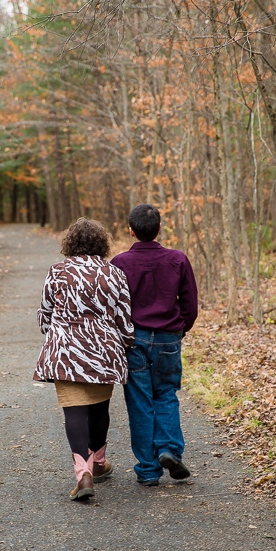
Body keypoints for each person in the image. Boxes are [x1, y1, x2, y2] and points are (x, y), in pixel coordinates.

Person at [34, 218, 134, 500]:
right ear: (102, 244)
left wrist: (57, 332)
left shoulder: (57, 272)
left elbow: (45, 317)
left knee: (74, 411)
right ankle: (99, 463)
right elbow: (124, 318)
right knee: (100, 408)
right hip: (104, 351)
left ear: (70, 244)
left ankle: (84, 474)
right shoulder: (114, 273)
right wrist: (126, 344)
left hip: (65, 352)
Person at [111, 204, 198, 485]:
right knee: (166, 394)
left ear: (131, 231)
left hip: (134, 339)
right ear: (159, 228)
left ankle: (148, 470)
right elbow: (190, 303)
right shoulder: (178, 259)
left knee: (140, 402)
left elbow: (115, 307)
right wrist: (181, 327)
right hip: (168, 338)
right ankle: (169, 450)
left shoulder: (120, 263)